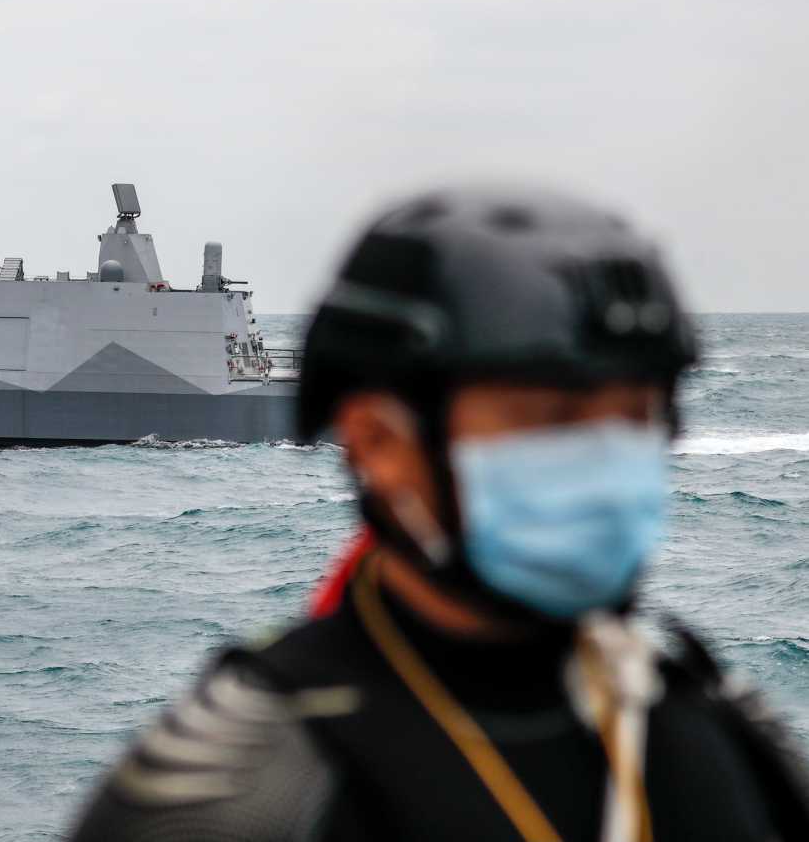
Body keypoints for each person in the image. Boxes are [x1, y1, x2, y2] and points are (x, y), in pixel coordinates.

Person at [68, 187, 809, 841]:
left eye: (637, 417)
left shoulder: (726, 732)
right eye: (550, 417)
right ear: (380, 441)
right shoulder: (231, 793)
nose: (605, 461)